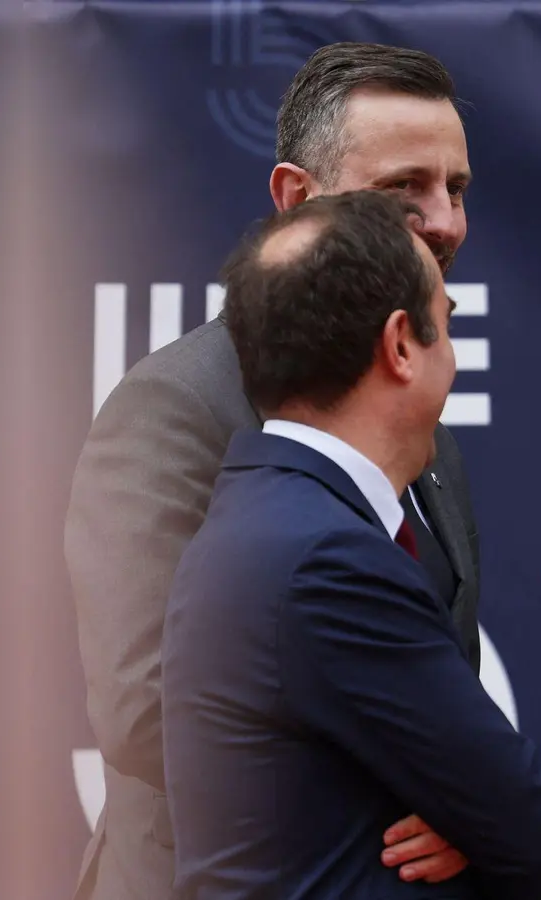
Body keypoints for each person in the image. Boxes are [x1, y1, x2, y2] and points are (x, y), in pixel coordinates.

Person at [64, 42, 482, 900]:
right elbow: (151, 709)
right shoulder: (174, 407)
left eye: (457, 189)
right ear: (296, 200)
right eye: (405, 190)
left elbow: (437, 670)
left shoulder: (423, 423)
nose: (443, 221)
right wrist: (443, 794)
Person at [161, 189, 541, 899]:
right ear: (401, 346)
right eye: (447, 319)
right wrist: (476, 820)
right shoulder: (326, 557)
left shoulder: (269, 517)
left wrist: (472, 817)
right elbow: (527, 820)